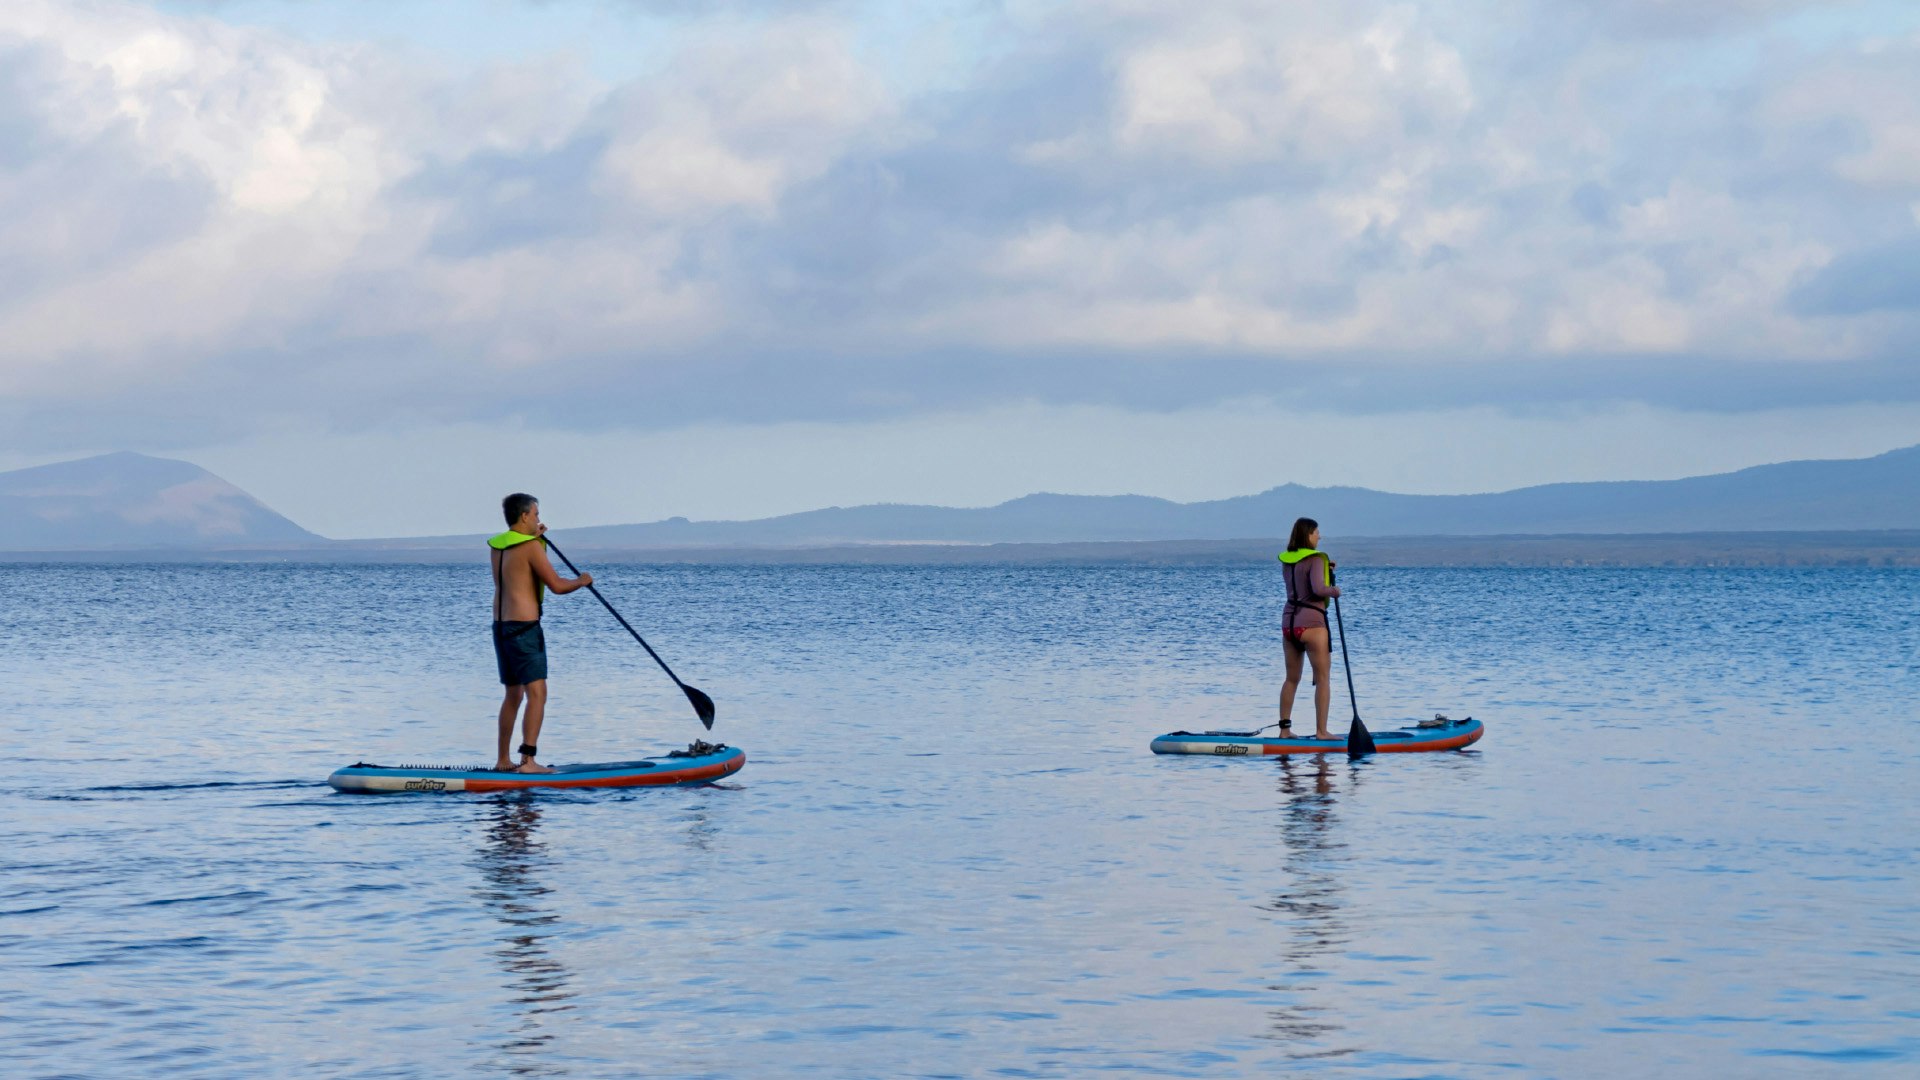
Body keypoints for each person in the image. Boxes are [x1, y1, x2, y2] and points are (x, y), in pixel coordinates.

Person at [489, 493, 593, 773]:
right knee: (537, 693)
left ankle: (502, 761)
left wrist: (538, 539)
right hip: (524, 629)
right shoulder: (531, 547)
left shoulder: (499, 546)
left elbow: (521, 569)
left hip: (501, 627)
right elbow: (557, 586)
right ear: (524, 516)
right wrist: (581, 581)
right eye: (535, 515)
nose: (538, 519)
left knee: (513, 695)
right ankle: (528, 761)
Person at [1278, 517, 1342, 741]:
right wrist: (1334, 591)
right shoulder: (1315, 559)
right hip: (1312, 624)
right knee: (1323, 678)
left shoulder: (1288, 560)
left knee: (1291, 678)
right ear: (1308, 535)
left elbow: (1303, 581)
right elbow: (1318, 589)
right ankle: (1322, 732)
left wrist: (1325, 568)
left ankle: (1284, 730)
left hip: (1289, 625)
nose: (1320, 536)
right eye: (1316, 532)